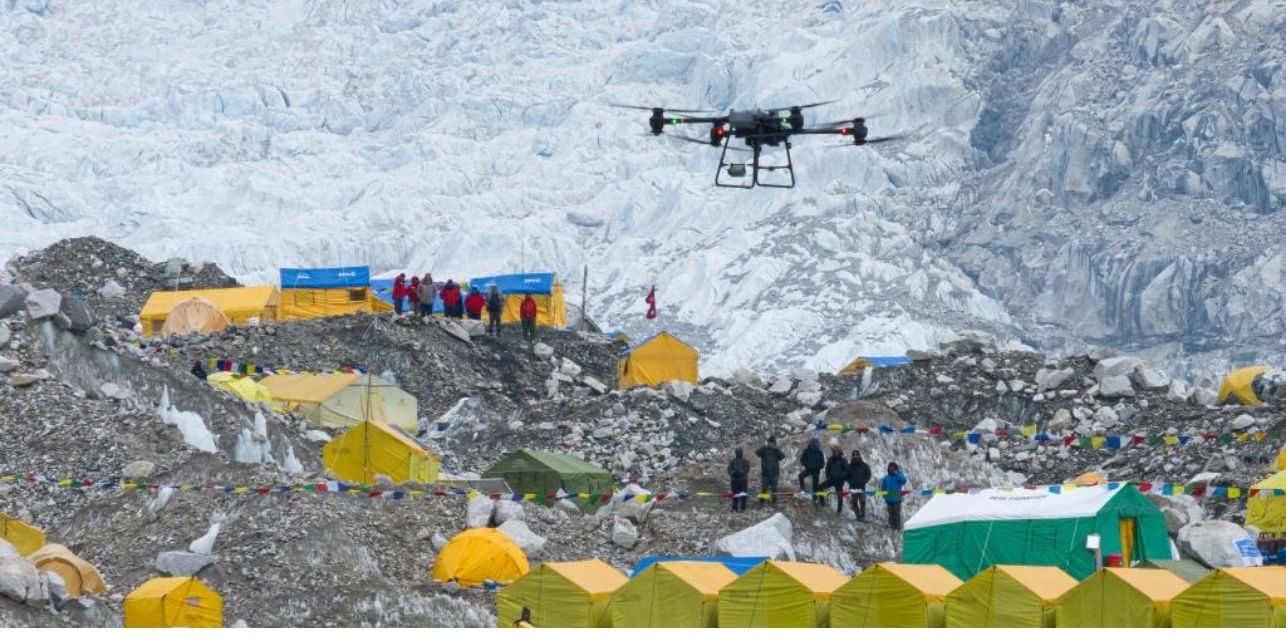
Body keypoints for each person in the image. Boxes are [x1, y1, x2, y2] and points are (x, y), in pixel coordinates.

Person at [819, 439, 849, 514]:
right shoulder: (831, 459)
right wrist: (828, 474)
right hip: (831, 479)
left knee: (840, 494)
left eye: (835, 451)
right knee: (820, 487)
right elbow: (827, 468)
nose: (834, 452)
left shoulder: (843, 460)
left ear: (838, 451)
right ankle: (821, 503)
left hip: (839, 480)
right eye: (833, 451)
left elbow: (847, 470)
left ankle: (839, 510)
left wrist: (841, 476)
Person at [754, 435, 785, 505]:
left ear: (774, 443)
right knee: (764, 489)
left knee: (774, 489)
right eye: (769, 442)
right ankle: (762, 501)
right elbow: (757, 452)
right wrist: (764, 447)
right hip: (765, 474)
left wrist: (775, 449)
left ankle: (774, 501)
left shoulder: (776, 450)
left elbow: (782, 456)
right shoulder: (764, 449)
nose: (770, 444)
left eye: (771, 443)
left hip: (775, 474)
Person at [880, 462, 909, 530]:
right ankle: (892, 528)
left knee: (897, 514)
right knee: (890, 515)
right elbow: (883, 488)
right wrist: (885, 497)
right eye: (890, 468)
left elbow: (904, 481)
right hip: (889, 500)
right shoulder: (886, 478)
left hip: (897, 499)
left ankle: (898, 528)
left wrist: (898, 473)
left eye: (893, 468)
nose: (892, 469)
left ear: (896, 468)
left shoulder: (899, 475)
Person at [797, 436, 824, 504]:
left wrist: (820, 466)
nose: (815, 446)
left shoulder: (819, 452)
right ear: (811, 443)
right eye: (814, 444)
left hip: (816, 470)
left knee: (815, 485)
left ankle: (815, 498)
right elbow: (802, 459)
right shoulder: (806, 451)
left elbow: (822, 462)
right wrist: (806, 464)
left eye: (816, 445)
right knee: (801, 476)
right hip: (808, 468)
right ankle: (802, 489)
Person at [846, 450, 872, 521]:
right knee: (854, 503)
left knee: (862, 502)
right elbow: (846, 476)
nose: (856, 456)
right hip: (853, 487)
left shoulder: (864, 465)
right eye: (854, 455)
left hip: (861, 487)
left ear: (859, 456)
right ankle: (858, 516)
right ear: (852, 456)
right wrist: (850, 482)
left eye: (857, 455)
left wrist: (864, 481)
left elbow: (868, 474)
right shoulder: (849, 466)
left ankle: (862, 517)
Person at [727, 447, 750, 513]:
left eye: (740, 452)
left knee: (743, 494)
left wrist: (741, 472)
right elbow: (729, 469)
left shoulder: (745, 461)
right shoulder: (732, 461)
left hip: (743, 480)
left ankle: (743, 507)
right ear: (736, 453)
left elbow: (747, 469)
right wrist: (733, 472)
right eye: (738, 452)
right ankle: (735, 507)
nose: (739, 454)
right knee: (735, 494)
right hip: (734, 480)